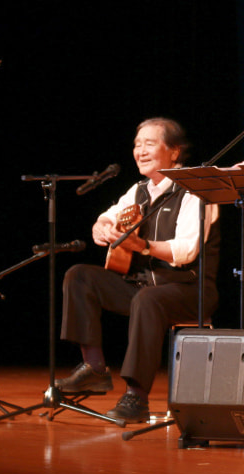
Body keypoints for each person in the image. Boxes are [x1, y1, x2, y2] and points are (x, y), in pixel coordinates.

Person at [56, 117, 220, 423]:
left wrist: (143, 246)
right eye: (137, 144)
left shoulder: (195, 191)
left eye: (149, 143)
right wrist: (101, 226)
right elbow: (107, 216)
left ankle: (137, 397)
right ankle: (94, 368)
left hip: (189, 289)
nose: (140, 151)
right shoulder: (139, 190)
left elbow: (187, 251)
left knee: (148, 299)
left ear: (174, 152)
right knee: (79, 276)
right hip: (144, 286)